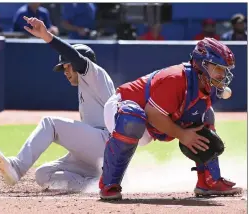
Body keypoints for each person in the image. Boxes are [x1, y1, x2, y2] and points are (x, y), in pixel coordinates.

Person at [99, 37, 242, 200]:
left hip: (152, 118)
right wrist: (182, 135)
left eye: (225, 70)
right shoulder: (176, 78)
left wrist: (187, 132)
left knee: (207, 114)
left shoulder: (208, 86)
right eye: (219, 68)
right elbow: (152, 113)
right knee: (132, 119)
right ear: (202, 64)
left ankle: (209, 181)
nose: (223, 74)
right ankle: (109, 183)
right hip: (124, 107)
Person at [0, 16, 115, 192]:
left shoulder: (94, 74)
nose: (65, 71)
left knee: (51, 124)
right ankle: (94, 184)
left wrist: (47, 36)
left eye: (67, 66)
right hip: (96, 155)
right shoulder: (86, 86)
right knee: (43, 175)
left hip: (106, 144)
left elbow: (75, 57)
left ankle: (17, 167)